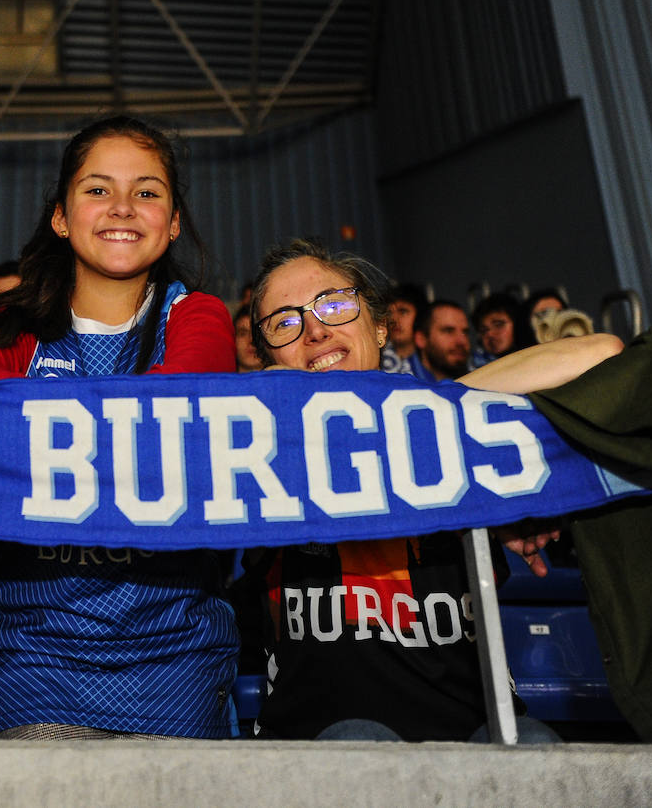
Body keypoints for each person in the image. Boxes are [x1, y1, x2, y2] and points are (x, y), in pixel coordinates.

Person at [244, 238, 622, 743]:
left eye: (334, 305)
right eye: (284, 323)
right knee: (359, 743)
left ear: (380, 328)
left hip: (473, 734)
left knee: (535, 749)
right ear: (265, 356)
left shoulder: (457, 437)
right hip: (321, 740)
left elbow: (600, 352)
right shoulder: (252, 456)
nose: (314, 330)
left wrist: (433, 413)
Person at [0, 116, 238, 740]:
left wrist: (42, 429)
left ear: (175, 220)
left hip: (174, 653)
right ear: (61, 215)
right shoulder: (8, 324)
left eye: (148, 191)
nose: (122, 207)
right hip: (35, 654)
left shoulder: (197, 316)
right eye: (98, 189)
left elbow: (174, 408)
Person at [410, 300, 472, 381]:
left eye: (465, 332)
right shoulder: (399, 387)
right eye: (448, 331)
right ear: (421, 339)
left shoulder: (480, 383)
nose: (462, 341)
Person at [471, 293, 535, 367]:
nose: (490, 334)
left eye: (498, 325)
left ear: (518, 324)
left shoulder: (538, 356)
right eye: (483, 330)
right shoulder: (474, 367)